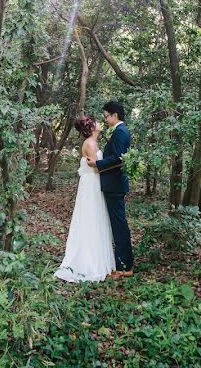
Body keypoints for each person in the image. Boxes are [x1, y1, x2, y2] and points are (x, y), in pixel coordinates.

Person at [54, 115, 117, 282]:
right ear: (91, 127)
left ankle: (98, 258)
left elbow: (97, 165)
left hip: (95, 183)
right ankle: (88, 262)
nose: (99, 123)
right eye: (96, 122)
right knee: (90, 219)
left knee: (97, 218)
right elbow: (97, 169)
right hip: (91, 185)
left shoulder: (94, 143)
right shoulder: (89, 144)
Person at [87, 100, 134, 278]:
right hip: (113, 184)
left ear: (115, 115)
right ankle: (121, 263)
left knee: (119, 225)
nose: (105, 119)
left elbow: (118, 159)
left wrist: (97, 164)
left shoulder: (121, 132)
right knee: (117, 224)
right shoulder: (119, 131)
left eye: (106, 116)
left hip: (115, 185)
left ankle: (125, 267)